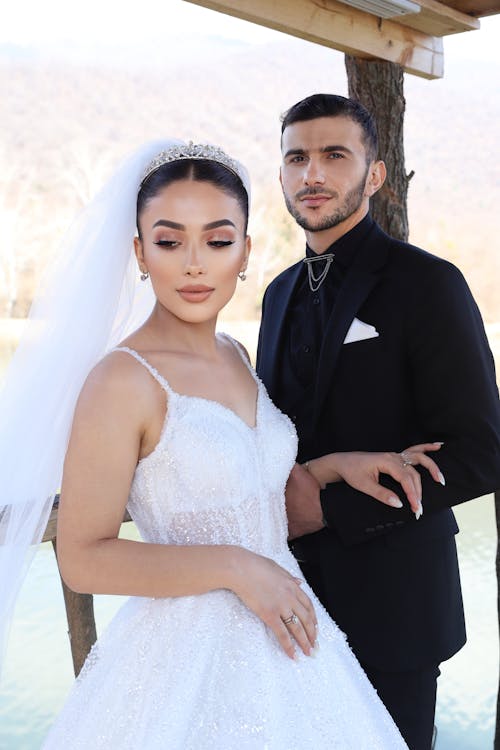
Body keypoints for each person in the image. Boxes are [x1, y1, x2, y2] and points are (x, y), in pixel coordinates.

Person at [0, 139, 446, 748]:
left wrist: (337, 466)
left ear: (244, 252)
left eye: (216, 240)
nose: (193, 264)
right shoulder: (122, 380)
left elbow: (244, 492)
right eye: (168, 241)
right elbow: (82, 556)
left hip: (291, 644)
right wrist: (236, 568)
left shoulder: (234, 354)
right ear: (138, 252)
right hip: (185, 661)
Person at [256, 93, 500, 750]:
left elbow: (481, 451)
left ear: (375, 174)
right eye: (297, 157)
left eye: (335, 155)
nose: (313, 174)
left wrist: (332, 510)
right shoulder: (275, 294)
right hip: (289, 608)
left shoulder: (430, 284)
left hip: (398, 611)